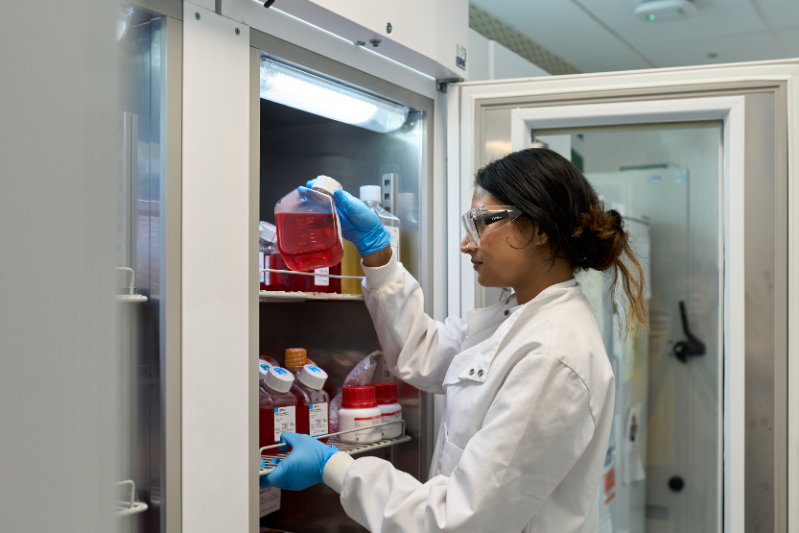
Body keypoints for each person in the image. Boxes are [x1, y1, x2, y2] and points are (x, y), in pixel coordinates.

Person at [260, 148, 647, 532]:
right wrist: (378, 252)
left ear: (539, 229)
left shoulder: (553, 355)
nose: (467, 243)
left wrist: (335, 467)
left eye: (480, 223)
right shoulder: (516, 317)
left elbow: (460, 519)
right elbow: (423, 351)